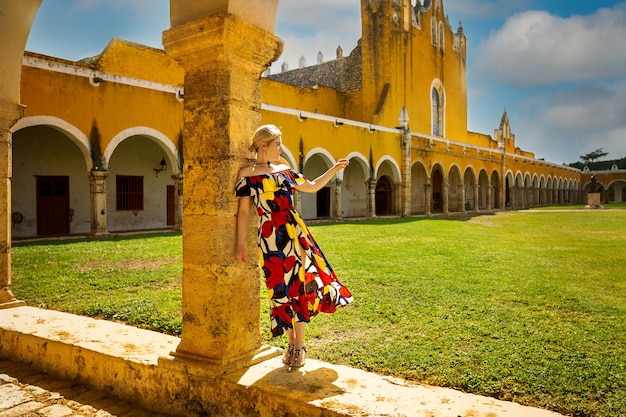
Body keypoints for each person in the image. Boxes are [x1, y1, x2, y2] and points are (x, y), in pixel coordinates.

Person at [235, 124, 353, 369]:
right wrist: (239, 245)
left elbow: (312, 186)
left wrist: (333, 169)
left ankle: (299, 346)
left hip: (294, 232)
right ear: (263, 146)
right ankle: (291, 344)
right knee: (278, 290)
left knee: (298, 286)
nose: (281, 148)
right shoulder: (246, 175)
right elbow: (244, 212)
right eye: (277, 143)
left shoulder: (285, 169)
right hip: (268, 238)